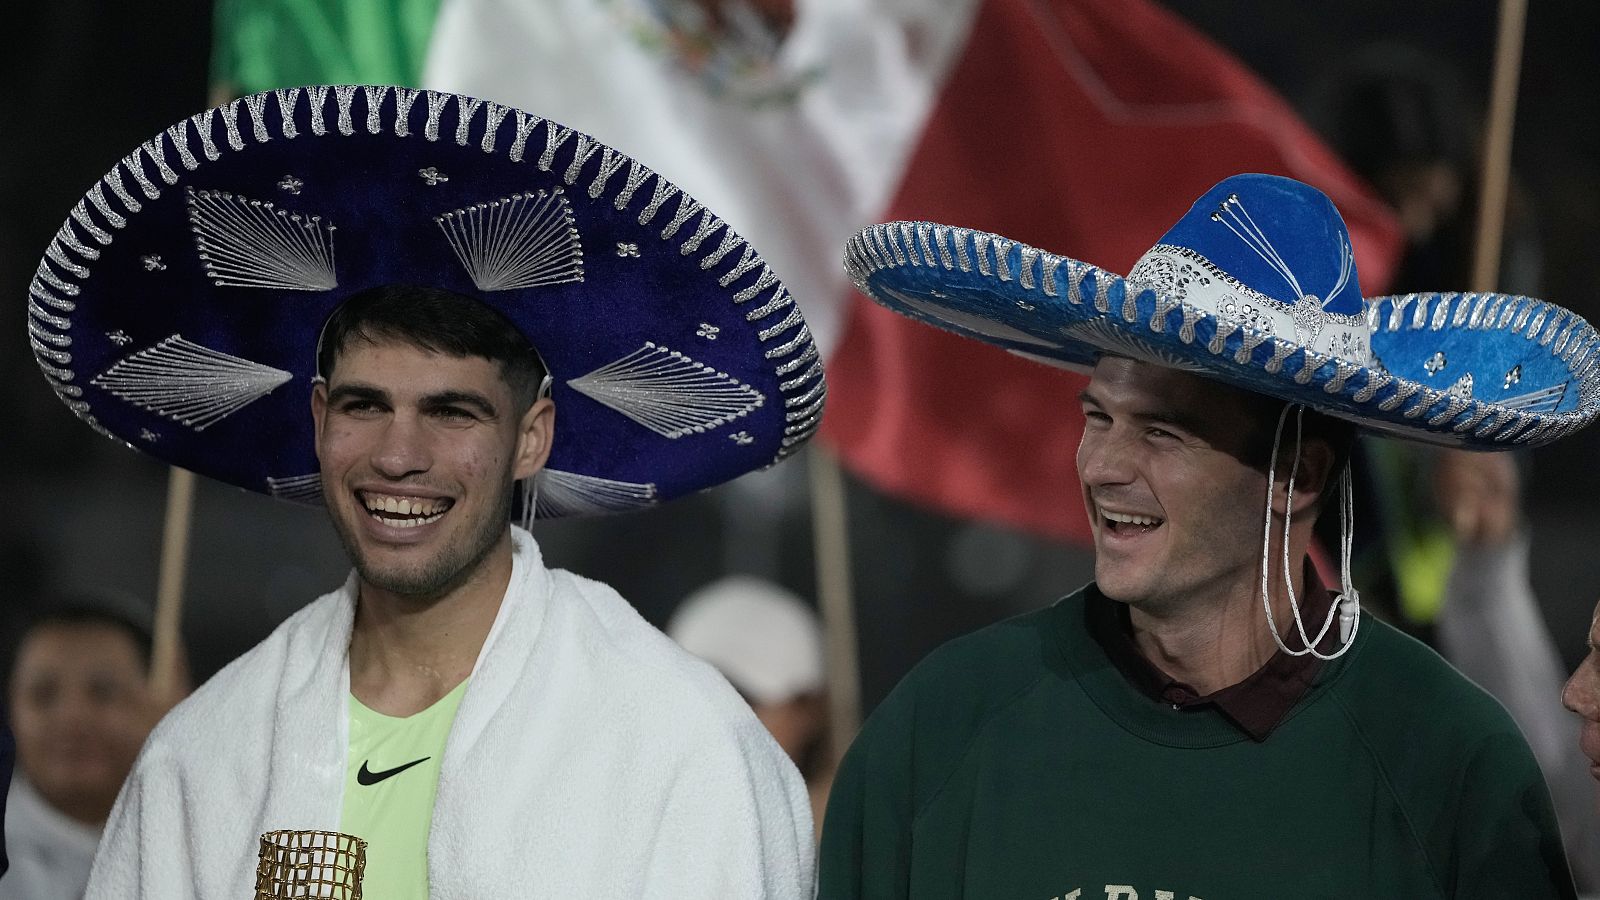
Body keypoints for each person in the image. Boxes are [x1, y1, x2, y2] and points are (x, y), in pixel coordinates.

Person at [29, 86, 825, 899]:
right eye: (363, 405)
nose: (399, 455)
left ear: (531, 437)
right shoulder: (202, 762)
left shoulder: (680, 746)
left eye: (452, 412)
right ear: (317, 418)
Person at [818, 173, 1592, 898]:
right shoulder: (937, 730)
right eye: (1098, 417)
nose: (1102, 467)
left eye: (1163, 432)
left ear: (1301, 476)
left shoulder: (1451, 764)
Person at [1, 604, 155, 900]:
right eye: (43, 694)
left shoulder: (199, 845)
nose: (73, 718)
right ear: (11, 712)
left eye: (104, 691)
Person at [670, 576, 834, 834]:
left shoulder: (851, 834)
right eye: (697, 696)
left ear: (808, 710)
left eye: (742, 699)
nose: (715, 719)